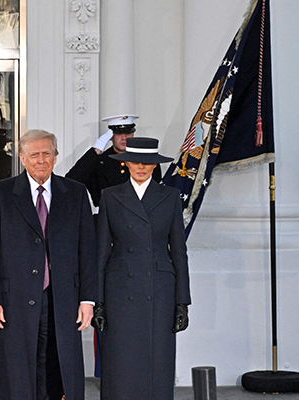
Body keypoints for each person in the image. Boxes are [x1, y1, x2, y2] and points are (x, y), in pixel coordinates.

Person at [0, 129, 97, 400]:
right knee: (17, 371)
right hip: (12, 301)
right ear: (22, 158)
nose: (41, 160)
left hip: (61, 299)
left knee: (57, 366)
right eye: (34, 155)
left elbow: (87, 250)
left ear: (55, 157)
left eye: (46, 153)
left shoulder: (76, 193)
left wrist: (88, 299)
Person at [92, 137, 191, 400]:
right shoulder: (110, 196)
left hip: (159, 291)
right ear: (125, 163)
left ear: (155, 165)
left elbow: (179, 252)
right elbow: (101, 252)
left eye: (147, 163)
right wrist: (98, 302)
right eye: (136, 161)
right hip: (120, 291)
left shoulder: (169, 197)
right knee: (121, 362)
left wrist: (182, 302)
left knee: (157, 361)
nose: (141, 167)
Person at [66, 114, 162, 208]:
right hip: (105, 219)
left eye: (128, 133)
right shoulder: (97, 161)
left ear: (133, 134)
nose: (124, 137)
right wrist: (96, 151)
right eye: (119, 133)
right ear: (111, 136)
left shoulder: (146, 161)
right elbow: (70, 182)